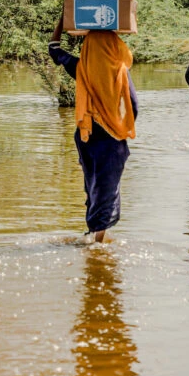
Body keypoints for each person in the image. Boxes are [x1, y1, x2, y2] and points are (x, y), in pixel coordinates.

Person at [50, 13, 138, 243]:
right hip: (111, 137)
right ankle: (98, 244)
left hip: (86, 135)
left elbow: (53, 48)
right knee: (108, 187)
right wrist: (123, 127)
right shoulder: (120, 71)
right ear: (115, 46)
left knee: (92, 184)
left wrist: (62, 20)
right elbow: (134, 106)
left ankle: (92, 234)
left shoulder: (81, 67)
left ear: (87, 47)